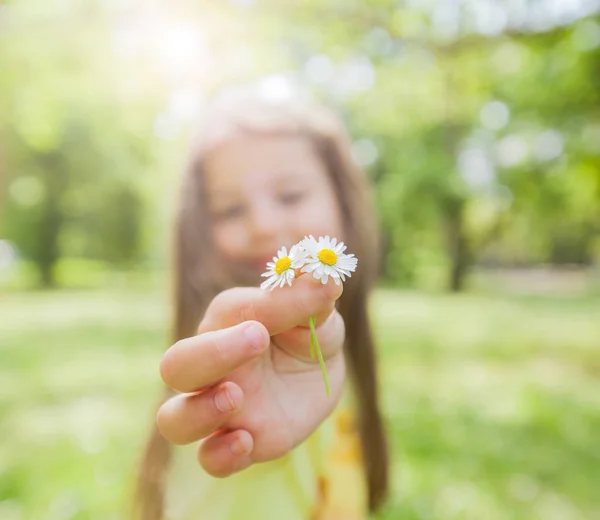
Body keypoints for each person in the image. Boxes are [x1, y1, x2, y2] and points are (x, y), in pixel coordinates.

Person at [135, 86, 389, 520]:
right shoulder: (233, 391)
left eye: (290, 196)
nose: (264, 226)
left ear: (344, 204)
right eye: (230, 210)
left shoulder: (336, 357)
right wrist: (231, 417)